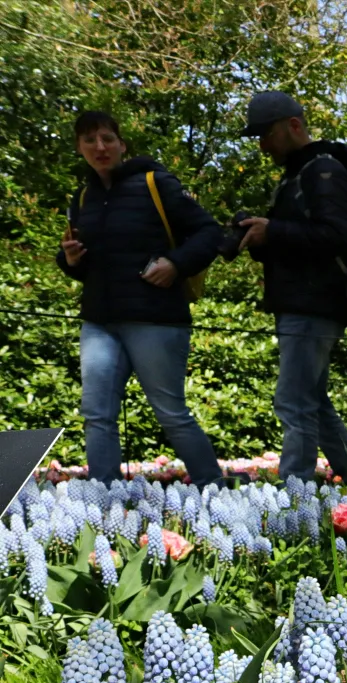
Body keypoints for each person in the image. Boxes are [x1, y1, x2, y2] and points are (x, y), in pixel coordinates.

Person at [57, 109, 225, 489]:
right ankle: (104, 496)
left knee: (170, 412)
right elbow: (81, 262)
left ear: (121, 144)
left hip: (156, 318)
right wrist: (67, 259)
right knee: (97, 414)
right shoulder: (82, 196)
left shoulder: (156, 183)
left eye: (107, 139)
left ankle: (213, 490)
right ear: (79, 147)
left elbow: (209, 232)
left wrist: (175, 264)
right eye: (90, 140)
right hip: (100, 320)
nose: (100, 147)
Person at [234, 91, 347, 486]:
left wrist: (272, 229)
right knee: (313, 400)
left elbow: (333, 236)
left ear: (294, 126)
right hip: (304, 301)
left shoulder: (323, 171)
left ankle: (296, 491)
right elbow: (304, 240)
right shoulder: (300, 172)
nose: (262, 145)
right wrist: (262, 236)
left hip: (315, 302)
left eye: (266, 134)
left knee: (293, 401)